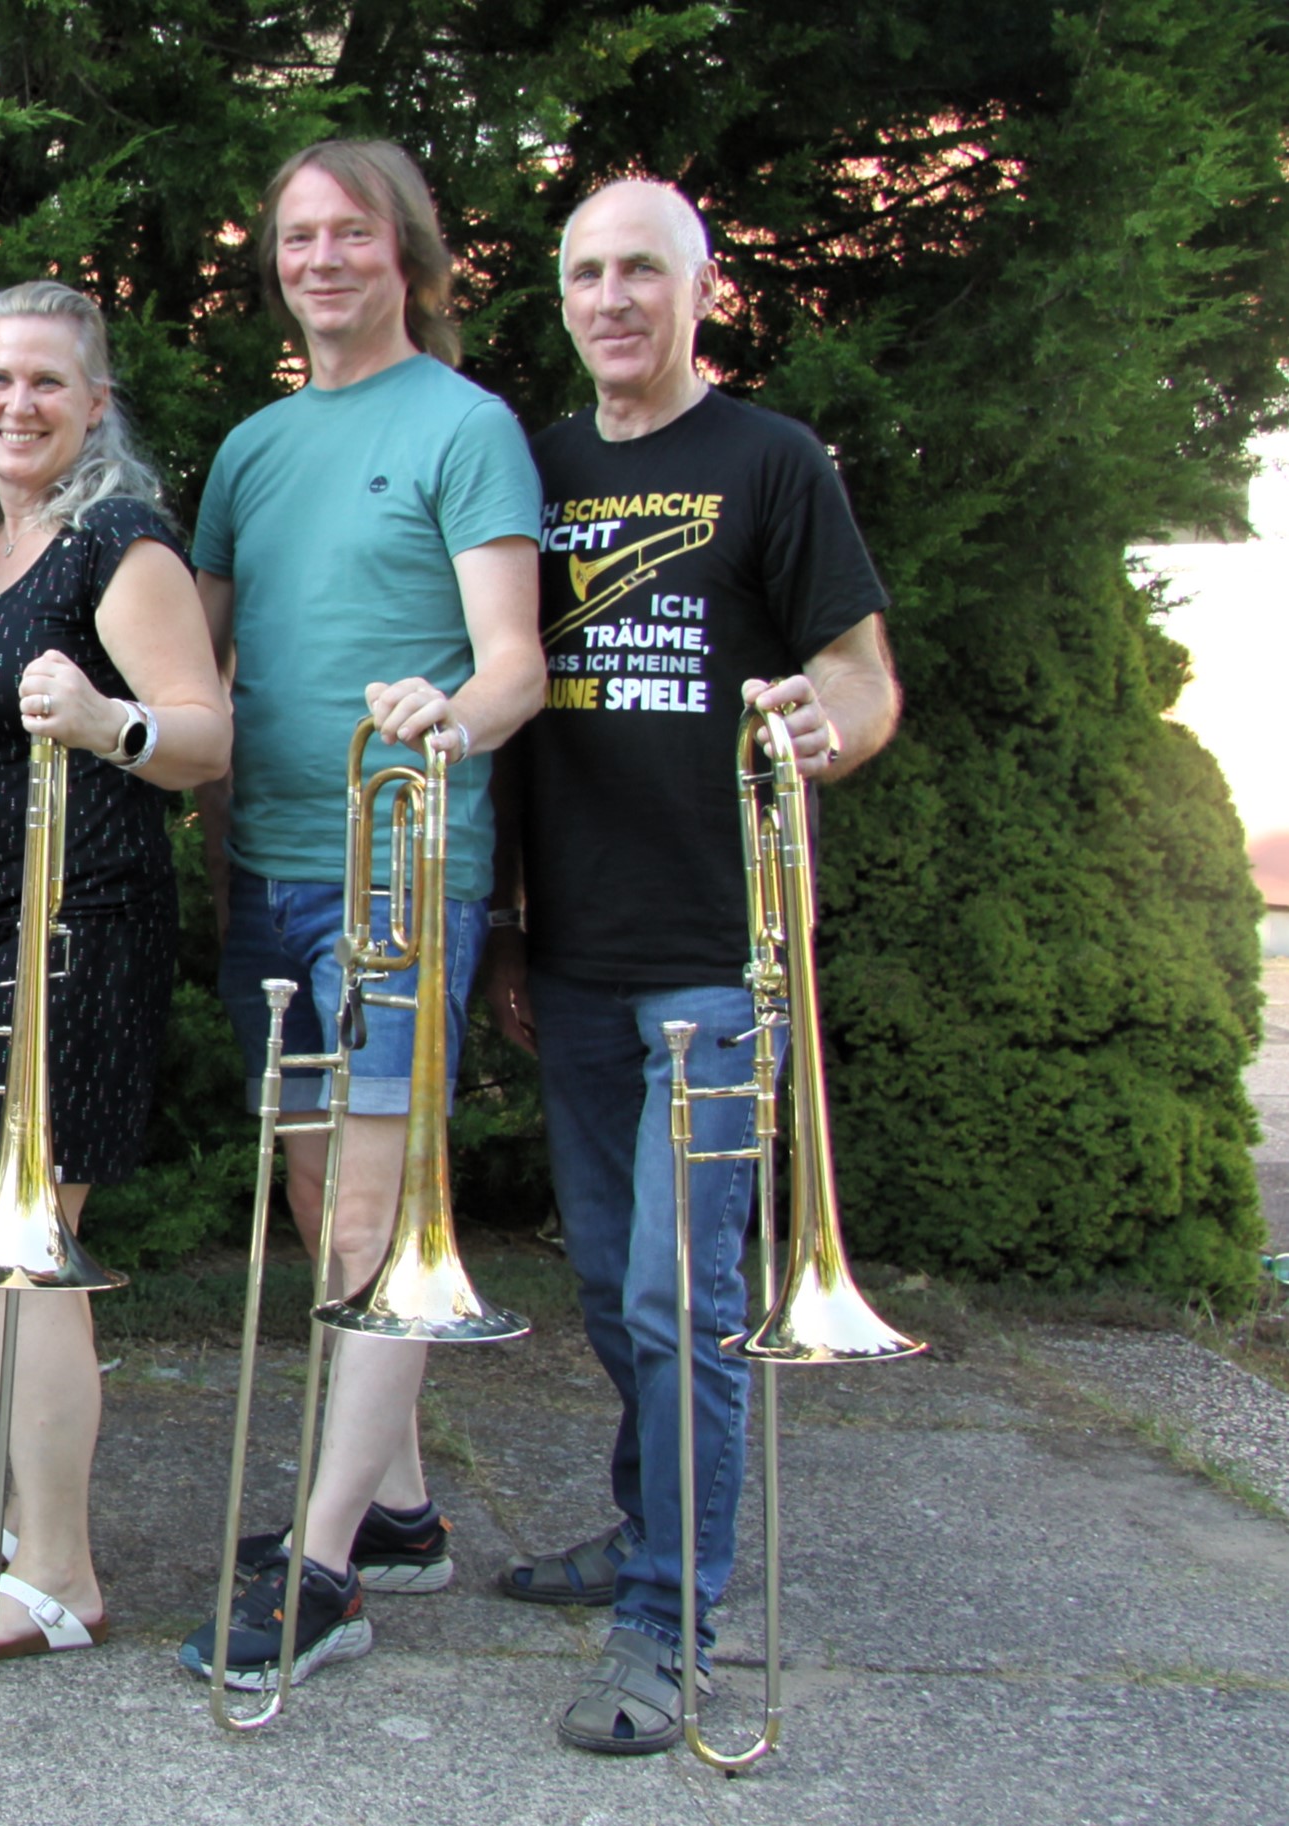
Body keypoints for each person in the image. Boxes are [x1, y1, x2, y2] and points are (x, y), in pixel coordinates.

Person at [488, 177, 899, 1754]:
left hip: (720, 959)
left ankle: (670, 1620)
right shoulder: (536, 469)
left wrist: (822, 731)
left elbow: (862, 678)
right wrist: (507, 926)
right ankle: (650, 1523)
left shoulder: (773, 461)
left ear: (702, 289)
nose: (613, 298)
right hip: (574, 956)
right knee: (611, 1286)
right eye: (587, 272)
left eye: (643, 271)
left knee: (682, 1295)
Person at [176, 139, 546, 1690]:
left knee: (374, 1225)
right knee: (324, 1200)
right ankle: (398, 1511)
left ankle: (323, 1567)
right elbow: (194, 663)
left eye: (352, 233)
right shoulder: (252, 450)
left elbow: (517, 663)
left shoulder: (466, 426)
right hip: (265, 870)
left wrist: (450, 715)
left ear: (410, 255)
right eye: (298, 236)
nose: (322, 258)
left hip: (400, 867)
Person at [0, 282, 232, 1657]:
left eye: (49, 382)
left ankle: (62, 1577)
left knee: (19, 1239)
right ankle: (28, 1512)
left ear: (96, 403)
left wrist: (106, 722)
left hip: (86, 921)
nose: (18, 404)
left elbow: (204, 733)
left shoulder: (119, 544)